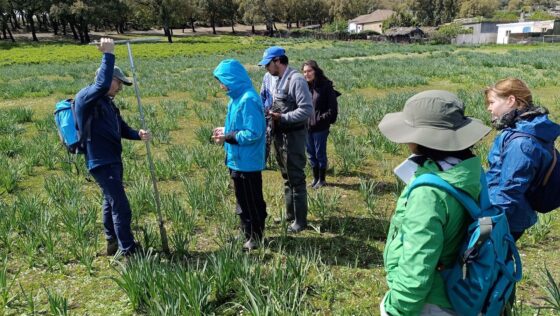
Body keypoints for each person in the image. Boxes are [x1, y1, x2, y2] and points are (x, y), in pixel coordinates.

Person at [378, 90, 491, 315]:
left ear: (421, 138)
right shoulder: (469, 168)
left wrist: (396, 308)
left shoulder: (428, 194)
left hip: (431, 300)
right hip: (461, 288)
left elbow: (417, 267)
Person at [74, 38, 151, 256]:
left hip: (112, 160)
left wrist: (138, 134)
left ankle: (112, 242)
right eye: (118, 82)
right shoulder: (87, 97)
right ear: (107, 79)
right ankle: (129, 251)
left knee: (110, 202)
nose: (120, 87)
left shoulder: (107, 102)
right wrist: (108, 53)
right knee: (121, 206)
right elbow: (101, 84)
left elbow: (121, 128)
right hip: (101, 161)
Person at [485, 78, 560, 241]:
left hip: (506, 219)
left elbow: (510, 190)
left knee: (490, 263)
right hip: (509, 213)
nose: (489, 108)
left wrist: (485, 226)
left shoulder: (521, 143)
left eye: (492, 102)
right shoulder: (524, 128)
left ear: (511, 100)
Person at [212, 59, 267, 250]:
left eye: (223, 80)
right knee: (242, 201)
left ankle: (256, 236)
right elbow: (239, 126)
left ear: (232, 79)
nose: (221, 85)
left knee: (252, 201)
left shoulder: (248, 99)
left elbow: (254, 133)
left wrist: (227, 136)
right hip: (236, 159)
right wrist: (225, 129)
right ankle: (246, 232)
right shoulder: (235, 99)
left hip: (248, 161)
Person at [258, 46, 313, 233]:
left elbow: (306, 110)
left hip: (294, 136)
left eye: (268, 64)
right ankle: (290, 215)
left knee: (296, 177)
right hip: (278, 135)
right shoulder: (272, 79)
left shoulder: (296, 80)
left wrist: (283, 117)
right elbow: (264, 98)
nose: (266, 68)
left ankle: (300, 221)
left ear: (278, 61)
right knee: (286, 176)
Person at [302, 60, 339, 189]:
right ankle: (315, 178)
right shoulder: (304, 87)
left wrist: (321, 119)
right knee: (310, 153)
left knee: (320, 153)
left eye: (309, 71)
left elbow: (332, 108)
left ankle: (322, 179)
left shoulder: (325, 86)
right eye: (305, 72)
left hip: (320, 127)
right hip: (307, 127)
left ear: (316, 71)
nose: (307, 74)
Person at [260, 71, 277, 165]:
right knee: (266, 139)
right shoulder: (267, 76)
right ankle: (262, 163)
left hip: (280, 115)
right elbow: (262, 94)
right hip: (268, 114)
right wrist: (263, 110)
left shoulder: (288, 76)